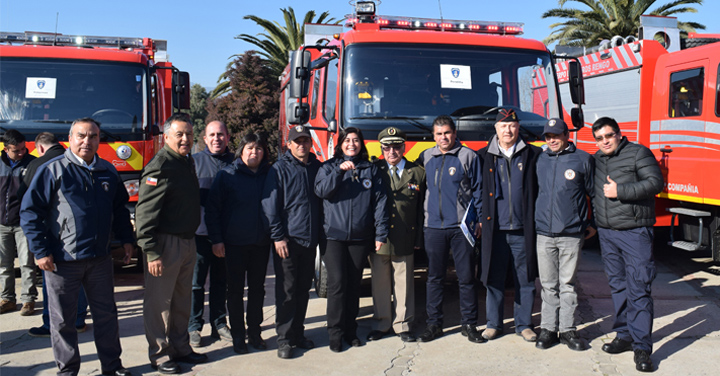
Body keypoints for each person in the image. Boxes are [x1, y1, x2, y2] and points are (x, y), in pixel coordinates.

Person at [20, 118, 134, 376]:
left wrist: (127, 239)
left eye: (93, 136)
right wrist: (40, 250)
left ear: (98, 140)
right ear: (69, 139)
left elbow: (119, 209)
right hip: (61, 261)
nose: (87, 141)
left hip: (100, 259)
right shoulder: (52, 170)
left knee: (106, 316)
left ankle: (112, 367)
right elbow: (30, 212)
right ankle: (68, 370)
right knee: (62, 321)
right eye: (81, 136)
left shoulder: (108, 171)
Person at [136, 113, 207, 375]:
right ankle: (160, 354)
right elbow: (145, 213)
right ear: (166, 137)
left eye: (189, 134)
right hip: (165, 245)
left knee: (181, 301)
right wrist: (152, 252)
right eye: (179, 134)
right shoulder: (161, 165)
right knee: (159, 304)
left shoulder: (185, 162)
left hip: (187, 242)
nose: (186, 139)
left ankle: (180, 347)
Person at [591, 117, 663, 373]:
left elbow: (655, 184)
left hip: (635, 233)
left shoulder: (638, 153)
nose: (604, 142)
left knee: (639, 287)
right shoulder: (597, 160)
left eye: (608, 136)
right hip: (607, 234)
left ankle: (642, 346)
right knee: (618, 285)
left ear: (619, 134)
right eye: (599, 138)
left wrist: (621, 190)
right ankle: (624, 334)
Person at [315, 127, 388, 352]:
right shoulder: (327, 167)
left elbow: (380, 202)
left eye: (356, 140)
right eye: (347, 140)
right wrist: (338, 171)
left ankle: (350, 331)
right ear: (340, 144)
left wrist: (380, 234)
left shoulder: (371, 170)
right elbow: (321, 191)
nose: (352, 144)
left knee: (353, 285)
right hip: (333, 237)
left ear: (361, 144)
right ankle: (335, 333)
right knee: (337, 284)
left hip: (360, 237)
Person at [415, 115, 483, 344]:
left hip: (461, 228)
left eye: (447, 133)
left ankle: (469, 324)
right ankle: (434, 324)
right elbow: (414, 185)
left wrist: (480, 221)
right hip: (432, 227)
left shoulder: (468, 156)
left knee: (466, 278)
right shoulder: (425, 157)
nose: (443, 137)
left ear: (454, 133)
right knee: (434, 278)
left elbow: (479, 191)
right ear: (433, 136)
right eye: (439, 134)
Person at [477, 108, 541, 343]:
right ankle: (493, 324)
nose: (508, 130)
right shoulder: (482, 157)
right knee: (493, 278)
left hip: (523, 230)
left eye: (512, 125)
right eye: (503, 126)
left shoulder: (533, 155)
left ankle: (524, 324)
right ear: (496, 129)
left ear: (518, 127)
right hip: (495, 232)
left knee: (525, 279)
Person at [205, 132, 271, 355]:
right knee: (234, 292)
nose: (255, 152)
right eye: (250, 148)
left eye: (259, 148)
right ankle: (238, 336)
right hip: (233, 245)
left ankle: (254, 332)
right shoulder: (226, 175)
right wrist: (217, 240)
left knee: (257, 291)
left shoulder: (269, 174)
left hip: (260, 244)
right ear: (241, 150)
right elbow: (213, 210)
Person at [533, 118, 594, 351]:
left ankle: (568, 330)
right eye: (548, 136)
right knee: (548, 285)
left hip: (571, 233)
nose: (551, 140)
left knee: (567, 284)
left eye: (556, 136)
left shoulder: (583, 159)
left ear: (566, 135)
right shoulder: (540, 160)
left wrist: (593, 223)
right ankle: (548, 329)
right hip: (544, 233)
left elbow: (594, 194)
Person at [262, 125, 322, 359]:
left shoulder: (317, 167)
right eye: (297, 141)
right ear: (288, 144)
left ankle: (298, 333)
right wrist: (278, 237)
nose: (301, 145)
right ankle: (284, 339)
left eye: (305, 140)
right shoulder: (278, 169)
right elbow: (270, 206)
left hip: (309, 241)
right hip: (287, 242)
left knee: (303, 291)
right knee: (286, 292)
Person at [21, 133, 89, 337]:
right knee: (81, 282)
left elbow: (27, 203)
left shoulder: (38, 165)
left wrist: (40, 248)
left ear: (39, 148)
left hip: (53, 237)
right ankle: (78, 320)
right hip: (83, 239)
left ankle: (50, 323)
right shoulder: (81, 164)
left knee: (52, 285)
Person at [367, 126, 425, 343]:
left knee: (404, 283)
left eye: (397, 147)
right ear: (381, 148)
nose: (392, 151)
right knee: (379, 284)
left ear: (404, 147)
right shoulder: (374, 170)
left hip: (405, 236)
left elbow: (420, 210)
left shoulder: (417, 173)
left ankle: (403, 324)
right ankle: (382, 322)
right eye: (387, 147)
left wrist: (418, 238)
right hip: (379, 239)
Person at [188, 121, 234, 347]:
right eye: (212, 135)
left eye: (221, 134)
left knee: (220, 282)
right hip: (200, 235)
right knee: (196, 284)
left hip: (227, 236)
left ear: (228, 137)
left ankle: (219, 323)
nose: (217, 138)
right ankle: (194, 326)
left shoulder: (236, 163)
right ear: (204, 139)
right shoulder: (193, 163)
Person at [0, 129, 37, 315]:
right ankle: (7, 299)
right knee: (4, 264)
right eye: (17, 150)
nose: (22, 153)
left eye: (24, 148)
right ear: (6, 149)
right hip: (2, 224)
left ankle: (28, 300)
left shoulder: (32, 164)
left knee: (27, 263)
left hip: (23, 224)